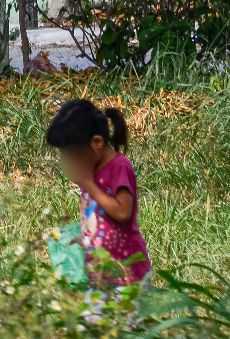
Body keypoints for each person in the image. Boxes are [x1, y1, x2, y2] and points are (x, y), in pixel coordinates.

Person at [45, 99, 151, 285]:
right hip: (100, 271)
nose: (72, 161)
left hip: (125, 273)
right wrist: (87, 240)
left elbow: (123, 213)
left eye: (74, 154)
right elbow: (98, 216)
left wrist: (89, 185)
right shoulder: (91, 169)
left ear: (96, 143)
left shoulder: (118, 167)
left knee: (122, 314)